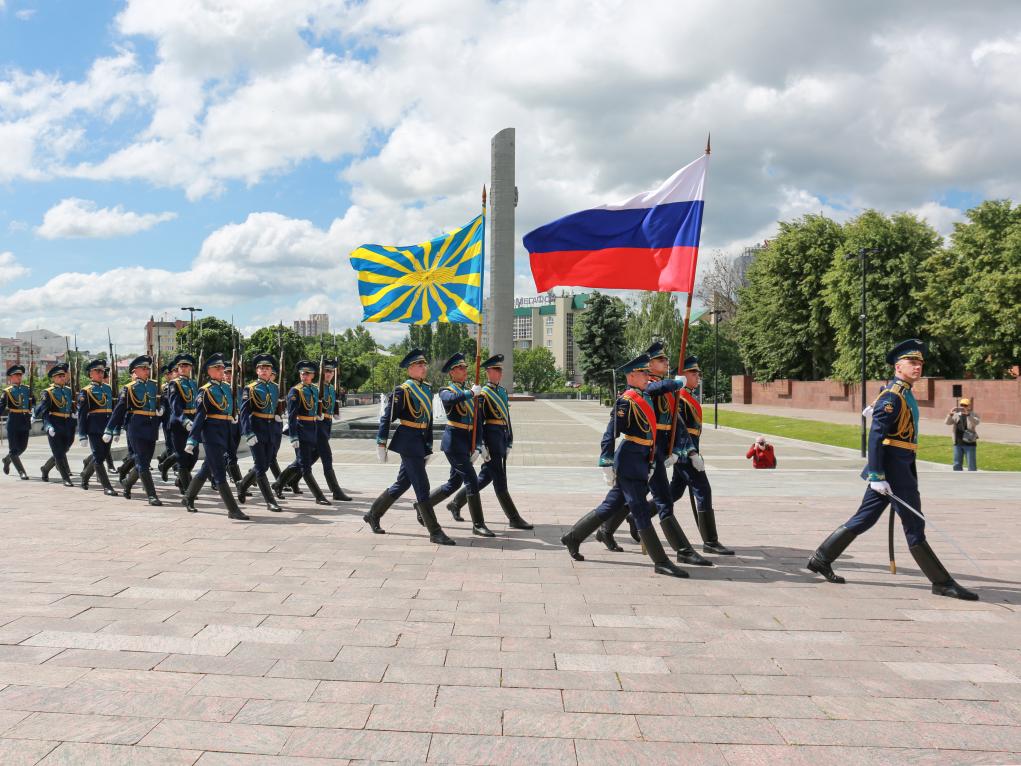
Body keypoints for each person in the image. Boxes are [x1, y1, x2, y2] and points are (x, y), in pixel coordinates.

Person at [807, 339, 977, 600]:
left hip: (900, 466)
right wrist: (876, 475)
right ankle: (941, 582)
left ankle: (821, 558)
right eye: (912, 362)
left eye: (920, 362)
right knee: (914, 525)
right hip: (893, 471)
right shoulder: (893, 395)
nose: (918, 366)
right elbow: (876, 437)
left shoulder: (902, 392)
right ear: (898, 367)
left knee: (864, 518)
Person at [560, 353, 688, 577]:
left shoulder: (645, 396)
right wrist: (606, 462)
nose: (647, 376)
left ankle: (573, 536)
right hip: (628, 460)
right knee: (639, 509)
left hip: (640, 459)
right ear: (631, 375)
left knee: (610, 506)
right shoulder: (626, 401)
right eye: (643, 373)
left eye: (648, 373)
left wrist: (650, 461)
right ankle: (661, 561)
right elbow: (611, 433)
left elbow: (650, 434)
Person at [595, 342, 711, 566]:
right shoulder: (652, 386)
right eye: (661, 360)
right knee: (662, 499)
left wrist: (683, 449)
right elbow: (652, 390)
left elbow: (675, 422)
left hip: (658, 449)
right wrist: (676, 383)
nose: (666, 363)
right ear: (648, 365)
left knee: (625, 499)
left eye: (666, 360)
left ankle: (603, 530)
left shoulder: (666, 388)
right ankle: (681, 550)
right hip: (645, 451)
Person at [364, 349, 454, 545]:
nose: (424, 368)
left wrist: (428, 446)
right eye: (420, 365)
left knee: (402, 483)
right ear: (410, 369)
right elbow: (387, 417)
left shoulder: (427, 389)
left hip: (420, 441)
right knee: (423, 486)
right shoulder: (402, 390)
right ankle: (435, 531)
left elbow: (428, 420)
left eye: (424, 364)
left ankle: (373, 514)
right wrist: (381, 442)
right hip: (407, 441)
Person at [445, 354, 533, 530]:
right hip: (490, 438)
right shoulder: (483, 393)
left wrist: (509, 440)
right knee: (500, 478)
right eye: (496, 370)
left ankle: (456, 502)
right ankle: (513, 517)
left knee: (486, 477)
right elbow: (479, 421)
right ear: (488, 372)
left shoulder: (501, 391)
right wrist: (481, 445)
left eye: (500, 370)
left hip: (500, 436)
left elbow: (506, 417)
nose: (500, 373)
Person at [669, 356, 734, 555]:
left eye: (698, 373)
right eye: (693, 373)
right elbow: (679, 429)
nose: (698, 377)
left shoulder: (688, 395)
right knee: (703, 490)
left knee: (674, 492)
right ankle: (710, 541)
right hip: (684, 453)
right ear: (683, 375)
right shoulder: (679, 396)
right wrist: (691, 452)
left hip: (691, 451)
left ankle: (637, 516)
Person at [424, 352, 492, 536]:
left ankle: (423, 505)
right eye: (460, 368)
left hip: (466, 442)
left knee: (454, 483)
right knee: (471, 480)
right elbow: (450, 400)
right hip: (453, 442)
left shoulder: (471, 391)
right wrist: (471, 393)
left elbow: (477, 421)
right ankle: (478, 524)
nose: (464, 370)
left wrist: (479, 445)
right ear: (452, 372)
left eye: (464, 367)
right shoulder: (447, 390)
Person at [181, 353, 249, 520]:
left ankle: (188, 497)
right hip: (211, 434)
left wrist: (233, 417)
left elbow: (230, 407)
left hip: (226, 432)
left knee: (206, 469)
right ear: (209, 372)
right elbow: (199, 417)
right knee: (219, 472)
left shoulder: (226, 387)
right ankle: (233, 510)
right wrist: (192, 439)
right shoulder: (205, 391)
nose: (221, 370)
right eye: (217, 368)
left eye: (221, 367)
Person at [104, 355, 163, 505]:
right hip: (136, 426)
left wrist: (161, 409)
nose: (147, 370)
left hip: (151, 426)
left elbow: (162, 402)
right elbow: (119, 410)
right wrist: (110, 429)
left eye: (148, 368)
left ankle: (127, 484)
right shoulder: (129, 388)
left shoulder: (154, 385)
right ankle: (152, 495)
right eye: (143, 368)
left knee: (145, 461)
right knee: (142, 462)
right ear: (135, 371)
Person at [272, 360, 331, 505]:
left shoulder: (314, 389)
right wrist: (293, 436)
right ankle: (319, 496)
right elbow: (291, 416)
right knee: (305, 466)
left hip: (313, 429)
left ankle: (278, 483)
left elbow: (316, 406)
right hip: (301, 429)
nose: (304, 376)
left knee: (301, 462)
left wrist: (319, 414)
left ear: (313, 375)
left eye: (307, 374)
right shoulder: (295, 391)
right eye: (302, 373)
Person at [236, 354, 282, 512]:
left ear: (271, 371)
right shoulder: (251, 388)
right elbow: (244, 412)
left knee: (266, 463)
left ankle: (242, 484)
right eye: (261, 368)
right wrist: (248, 433)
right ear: (257, 371)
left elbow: (275, 407)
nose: (264, 370)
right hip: (257, 428)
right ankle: (270, 501)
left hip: (271, 429)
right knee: (261, 467)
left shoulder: (275, 387)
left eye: (267, 368)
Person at [77, 359, 118, 496]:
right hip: (94, 428)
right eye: (98, 371)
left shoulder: (108, 389)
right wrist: (82, 434)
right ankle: (107, 486)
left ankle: (85, 475)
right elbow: (82, 415)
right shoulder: (86, 391)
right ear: (91, 374)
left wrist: (115, 428)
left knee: (102, 454)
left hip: (107, 428)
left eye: (102, 371)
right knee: (98, 457)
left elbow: (113, 410)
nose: (101, 374)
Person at [35, 363, 77, 487]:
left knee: (65, 449)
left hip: (68, 424)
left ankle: (45, 468)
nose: (62, 378)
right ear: (53, 378)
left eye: (63, 376)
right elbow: (44, 411)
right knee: (58, 452)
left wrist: (75, 413)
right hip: (55, 422)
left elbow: (71, 406)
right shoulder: (47, 392)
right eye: (58, 376)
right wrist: (48, 426)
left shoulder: (69, 390)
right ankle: (65, 478)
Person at [316, 359, 352, 501]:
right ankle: (336, 491)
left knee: (308, 460)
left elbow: (330, 404)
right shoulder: (316, 387)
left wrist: (335, 412)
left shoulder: (330, 388)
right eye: (326, 371)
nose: (329, 374)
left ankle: (282, 482)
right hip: (318, 426)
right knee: (327, 457)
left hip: (327, 424)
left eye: (331, 371)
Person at [165, 354, 200, 491]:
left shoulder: (193, 383)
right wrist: (184, 420)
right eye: (181, 366)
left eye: (186, 366)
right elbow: (175, 405)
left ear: (190, 367)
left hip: (193, 422)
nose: (183, 368)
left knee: (194, 455)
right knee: (182, 457)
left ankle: (181, 480)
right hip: (179, 424)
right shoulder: (174, 383)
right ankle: (187, 490)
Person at [2, 364, 33, 481]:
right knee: (14, 450)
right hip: (13, 421)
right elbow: (1, 407)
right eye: (16, 375)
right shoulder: (7, 391)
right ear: (11, 377)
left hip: (25, 421)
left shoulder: (27, 389)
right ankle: (22, 472)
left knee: (23, 447)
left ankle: (7, 459)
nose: (19, 377)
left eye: (20, 375)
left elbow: (32, 402)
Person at [945, 398, 979, 471]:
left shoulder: (973, 414)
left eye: (965, 405)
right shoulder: (956, 414)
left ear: (969, 406)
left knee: (971, 465)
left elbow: (976, 422)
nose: (963, 407)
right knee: (957, 464)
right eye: (962, 405)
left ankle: (973, 479)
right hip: (958, 442)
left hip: (970, 442)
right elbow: (947, 423)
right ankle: (957, 479)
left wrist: (968, 415)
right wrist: (950, 415)